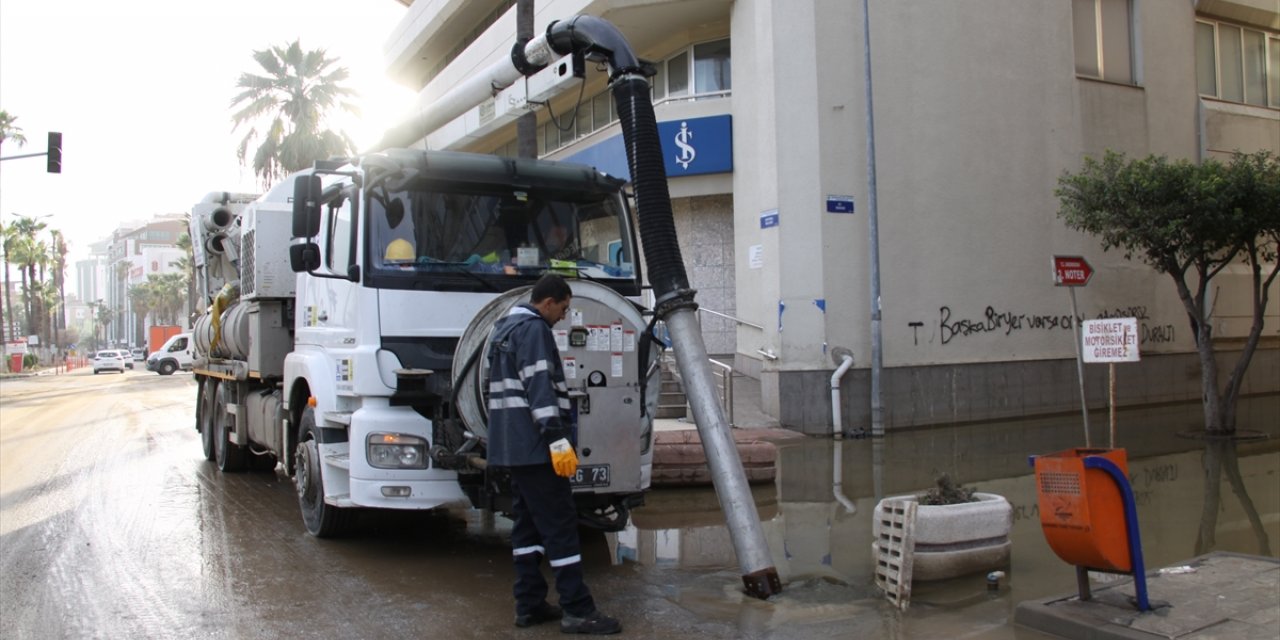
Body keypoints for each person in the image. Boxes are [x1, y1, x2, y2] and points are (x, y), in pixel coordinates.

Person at [486, 274, 622, 635]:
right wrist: (558, 441)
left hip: (513, 448)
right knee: (561, 527)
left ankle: (528, 604)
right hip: (537, 449)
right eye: (563, 308)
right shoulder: (533, 331)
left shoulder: (501, 329)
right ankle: (578, 609)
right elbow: (540, 387)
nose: (563, 316)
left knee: (527, 529)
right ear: (548, 302)